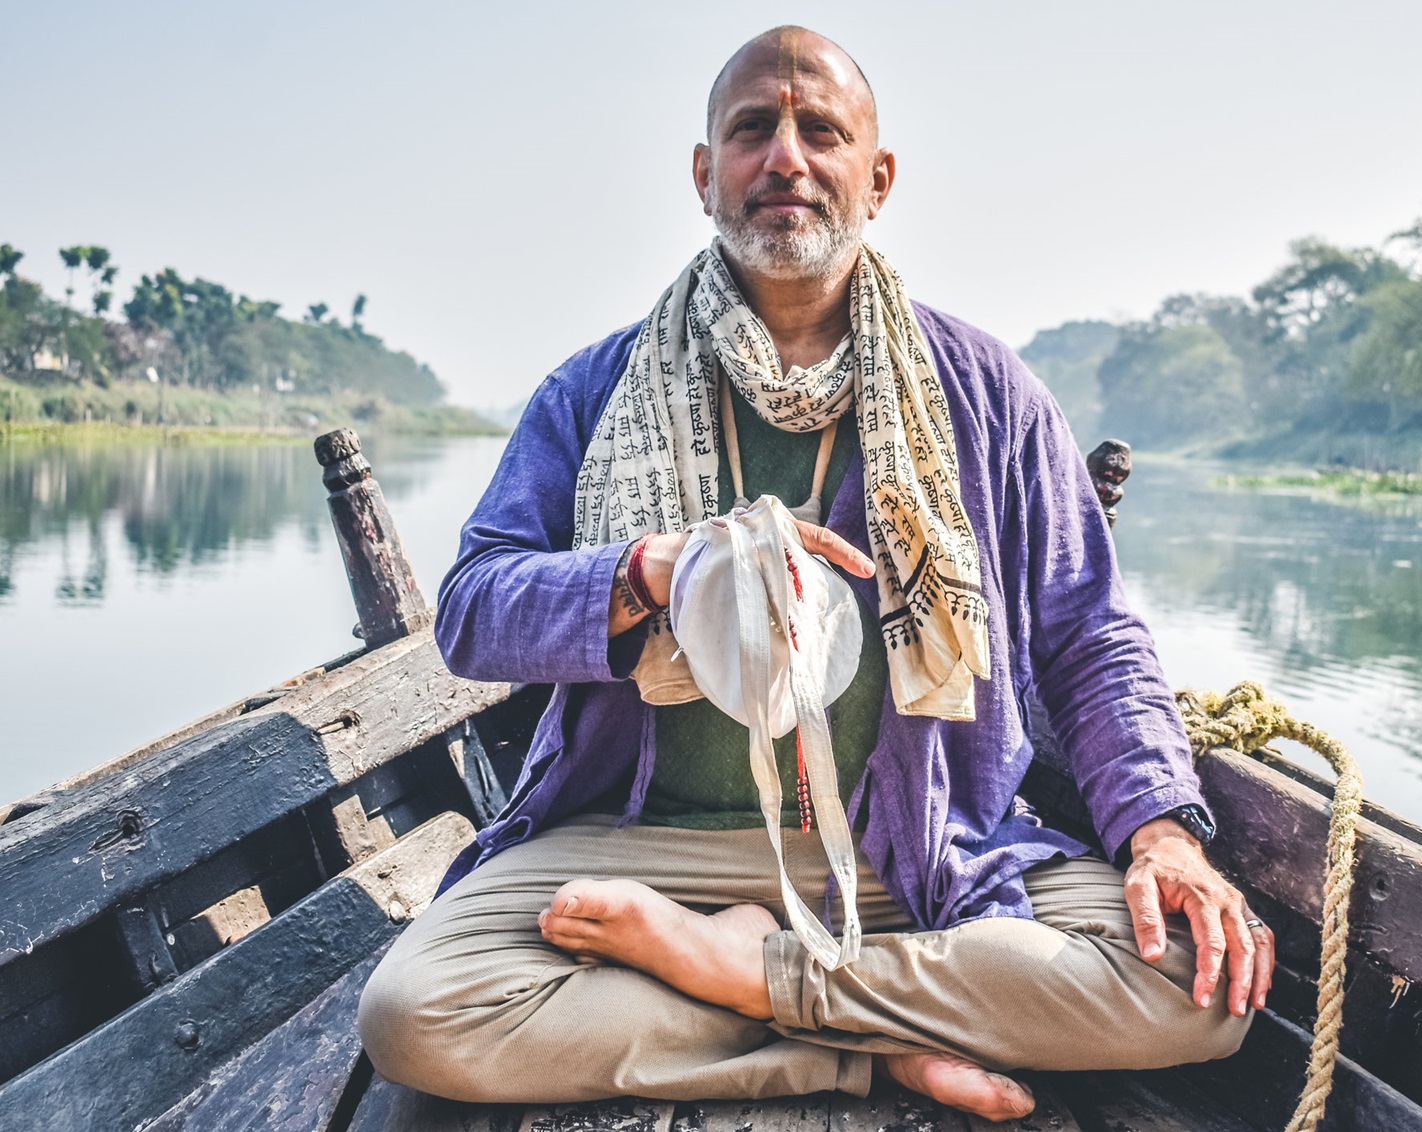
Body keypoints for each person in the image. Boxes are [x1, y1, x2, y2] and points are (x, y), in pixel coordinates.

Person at [358, 26, 1272, 1122]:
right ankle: (868, 1044)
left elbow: (1089, 634)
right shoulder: (595, 391)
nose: (785, 157)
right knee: (415, 1015)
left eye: (820, 131)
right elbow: (470, 610)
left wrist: (1159, 829)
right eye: (752, 130)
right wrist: (655, 566)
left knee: (1200, 991)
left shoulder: (985, 393)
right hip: (645, 847)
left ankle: (748, 977)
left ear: (875, 178)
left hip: (917, 852)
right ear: (705, 175)